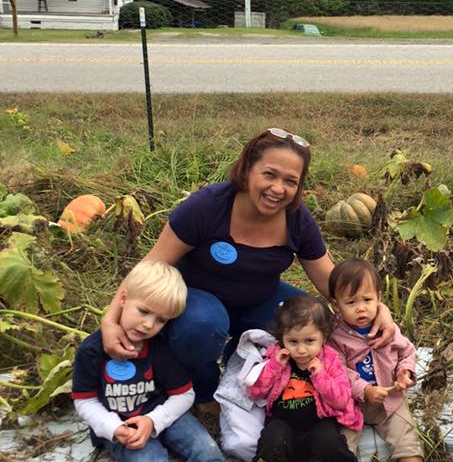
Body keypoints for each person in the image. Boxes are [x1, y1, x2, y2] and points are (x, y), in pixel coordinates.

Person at [100, 128, 396, 402]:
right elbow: (150, 265)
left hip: (260, 298)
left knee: (318, 324)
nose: (278, 189)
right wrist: (110, 321)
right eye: (269, 174)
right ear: (246, 170)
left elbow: (333, 283)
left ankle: (240, 365)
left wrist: (378, 310)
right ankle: (201, 391)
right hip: (198, 300)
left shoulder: (297, 220)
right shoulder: (207, 206)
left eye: (290, 181)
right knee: (201, 328)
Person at [71, 261, 282, 462]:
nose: (148, 325)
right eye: (144, 312)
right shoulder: (92, 350)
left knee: (205, 449)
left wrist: (154, 422)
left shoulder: (160, 348)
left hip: (163, 415)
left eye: (160, 320)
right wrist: (114, 428)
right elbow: (84, 401)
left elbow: (183, 396)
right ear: (123, 299)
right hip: (121, 428)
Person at [327, 259, 437, 462]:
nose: (361, 309)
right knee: (342, 443)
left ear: (378, 298)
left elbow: (407, 351)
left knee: (405, 434)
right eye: (350, 303)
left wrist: (405, 373)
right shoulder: (335, 335)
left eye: (366, 300)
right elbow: (336, 369)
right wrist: (364, 389)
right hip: (352, 403)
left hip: (390, 398)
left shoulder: (388, 328)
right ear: (335, 305)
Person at [247, 295, 370, 462]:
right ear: (282, 338)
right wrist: (274, 366)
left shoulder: (330, 359)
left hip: (318, 424)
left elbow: (342, 399)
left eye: (309, 341)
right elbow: (256, 391)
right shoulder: (275, 357)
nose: (301, 350)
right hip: (284, 423)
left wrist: (320, 375)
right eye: (293, 342)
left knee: (332, 443)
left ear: (323, 337)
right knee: (271, 440)